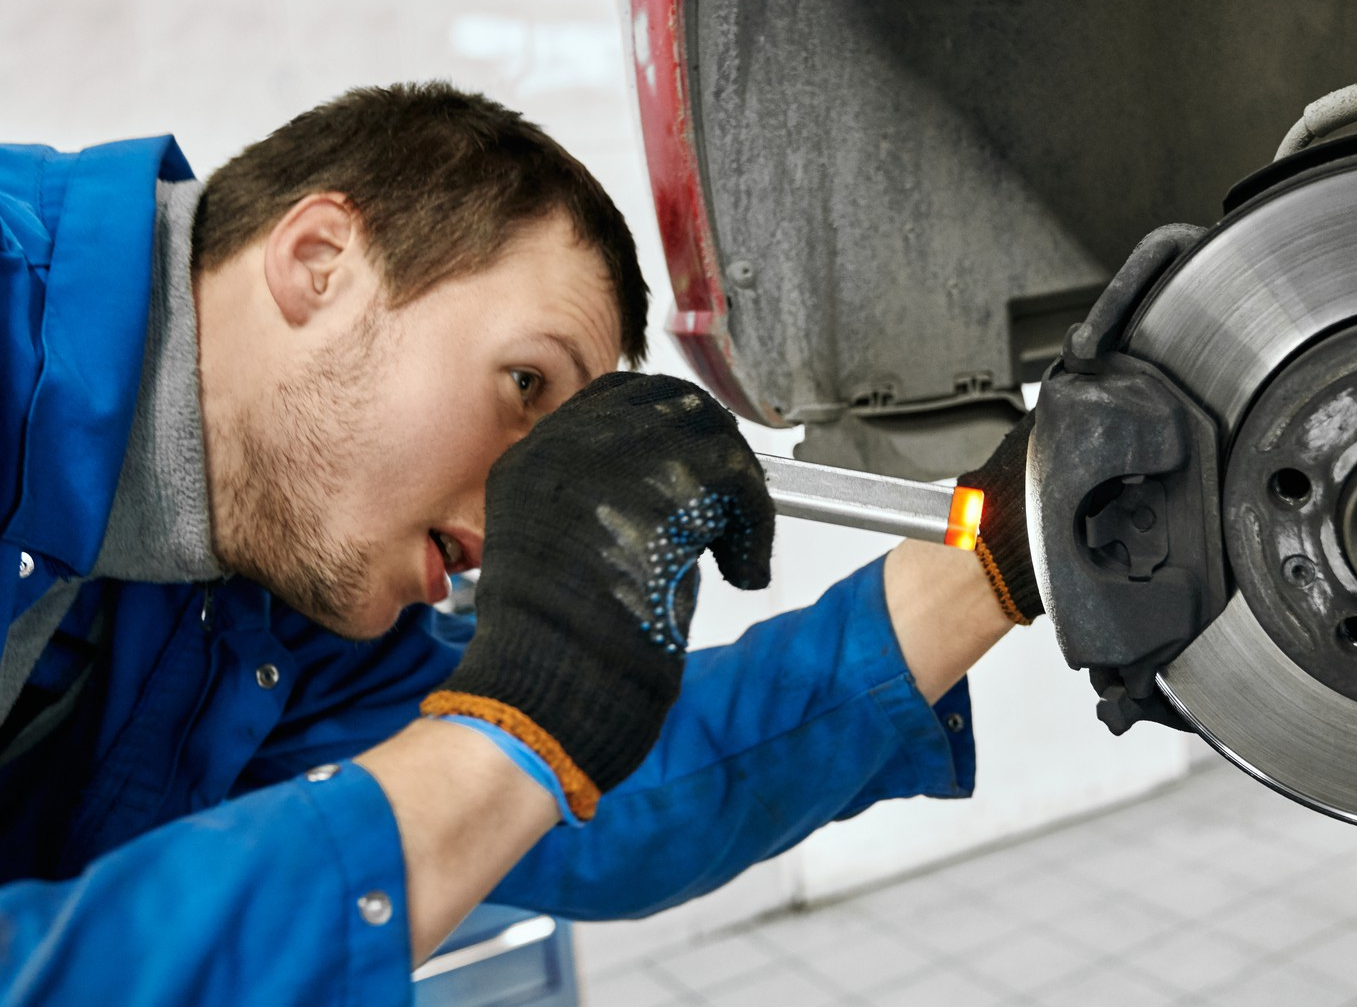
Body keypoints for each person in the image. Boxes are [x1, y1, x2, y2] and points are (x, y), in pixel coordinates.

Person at [0, 81, 1045, 1005]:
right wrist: (514, 738)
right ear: (319, 261)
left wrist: (998, 556)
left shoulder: (261, 608)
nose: (514, 523)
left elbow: (592, 797)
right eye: (524, 383)